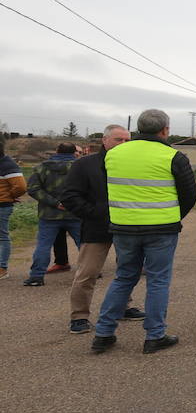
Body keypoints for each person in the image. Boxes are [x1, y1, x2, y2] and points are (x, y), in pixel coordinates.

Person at [92, 109, 196, 354]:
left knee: (123, 277)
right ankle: (154, 335)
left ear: (138, 128)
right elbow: (189, 195)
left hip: (124, 226)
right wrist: (173, 216)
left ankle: (103, 333)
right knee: (158, 280)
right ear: (165, 130)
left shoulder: (113, 154)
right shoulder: (173, 156)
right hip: (162, 228)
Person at [59, 126, 146, 332]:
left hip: (127, 225)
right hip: (97, 227)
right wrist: (94, 213)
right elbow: (70, 196)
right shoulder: (85, 164)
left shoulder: (133, 164)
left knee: (127, 271)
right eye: (119, 140)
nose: (124, 144)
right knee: (87, 273)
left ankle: (123, 307)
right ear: (105, 140)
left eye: (127, 140)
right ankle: (79, 316)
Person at [22, 143, 82, 286]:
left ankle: (36, 276)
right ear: (75, 152)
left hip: (49, 214)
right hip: (76, 213)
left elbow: (33, 189)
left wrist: (55, 203)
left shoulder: (41, 167)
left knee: (43, 245)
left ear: (56, 151)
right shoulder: (81, 167)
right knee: (84, 244)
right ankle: (91, 271)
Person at [0, 138, 26, 280]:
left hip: (2, 205)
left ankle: (2, 268)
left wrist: (9, 196)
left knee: (2, 237)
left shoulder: (7, 164)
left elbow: (21, 186)